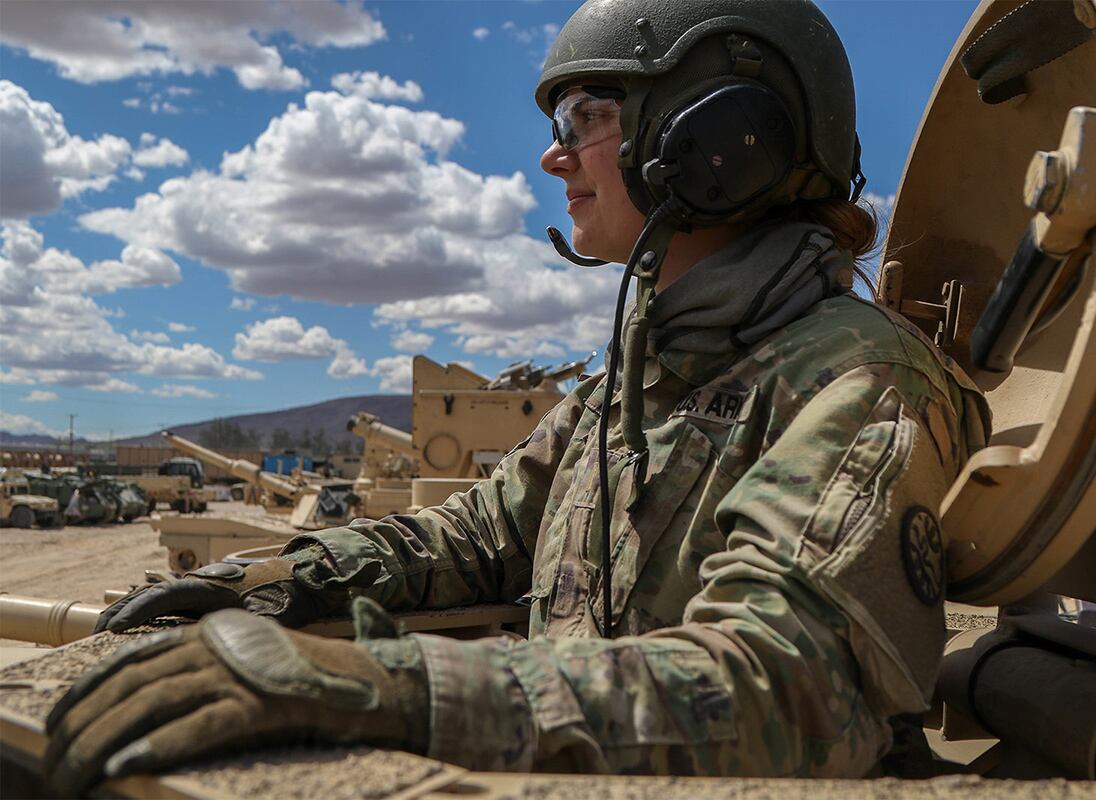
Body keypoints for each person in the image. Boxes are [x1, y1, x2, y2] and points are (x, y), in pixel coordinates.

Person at [43, 0, 989, 794]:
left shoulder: (857, 380)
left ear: (715, 135)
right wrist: (272, 586)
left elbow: (793, 690)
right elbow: (479, 538)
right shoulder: (635, 379)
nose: (556, 158)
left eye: (588, 117)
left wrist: (387, 687)